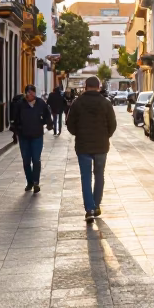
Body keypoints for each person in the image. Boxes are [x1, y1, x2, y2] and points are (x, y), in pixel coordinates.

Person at [65, 75, 117, 219]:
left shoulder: (77, 103)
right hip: (101, 146)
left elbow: (70, 124)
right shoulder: (105, 103)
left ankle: (89, 209)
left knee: (85, 177)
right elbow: (112, 124)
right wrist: (106, 136)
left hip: (83, 146)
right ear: (99, 87)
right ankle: (97, 205)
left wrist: (79, 134)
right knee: (99, 175)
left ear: (85, 87)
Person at [11, 84, 53, 193]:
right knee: (26, 161)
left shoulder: (41, 103)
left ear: (34, 93)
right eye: (27, 93)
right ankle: (29, 181)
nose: (29, 95)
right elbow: (15, 119)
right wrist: (16, 133)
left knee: (36, 159)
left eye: (31, 92)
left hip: (37, 136)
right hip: (24, 137)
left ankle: (36, 182)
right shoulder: (20, 104)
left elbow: (47, 115)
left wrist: (47, 123)